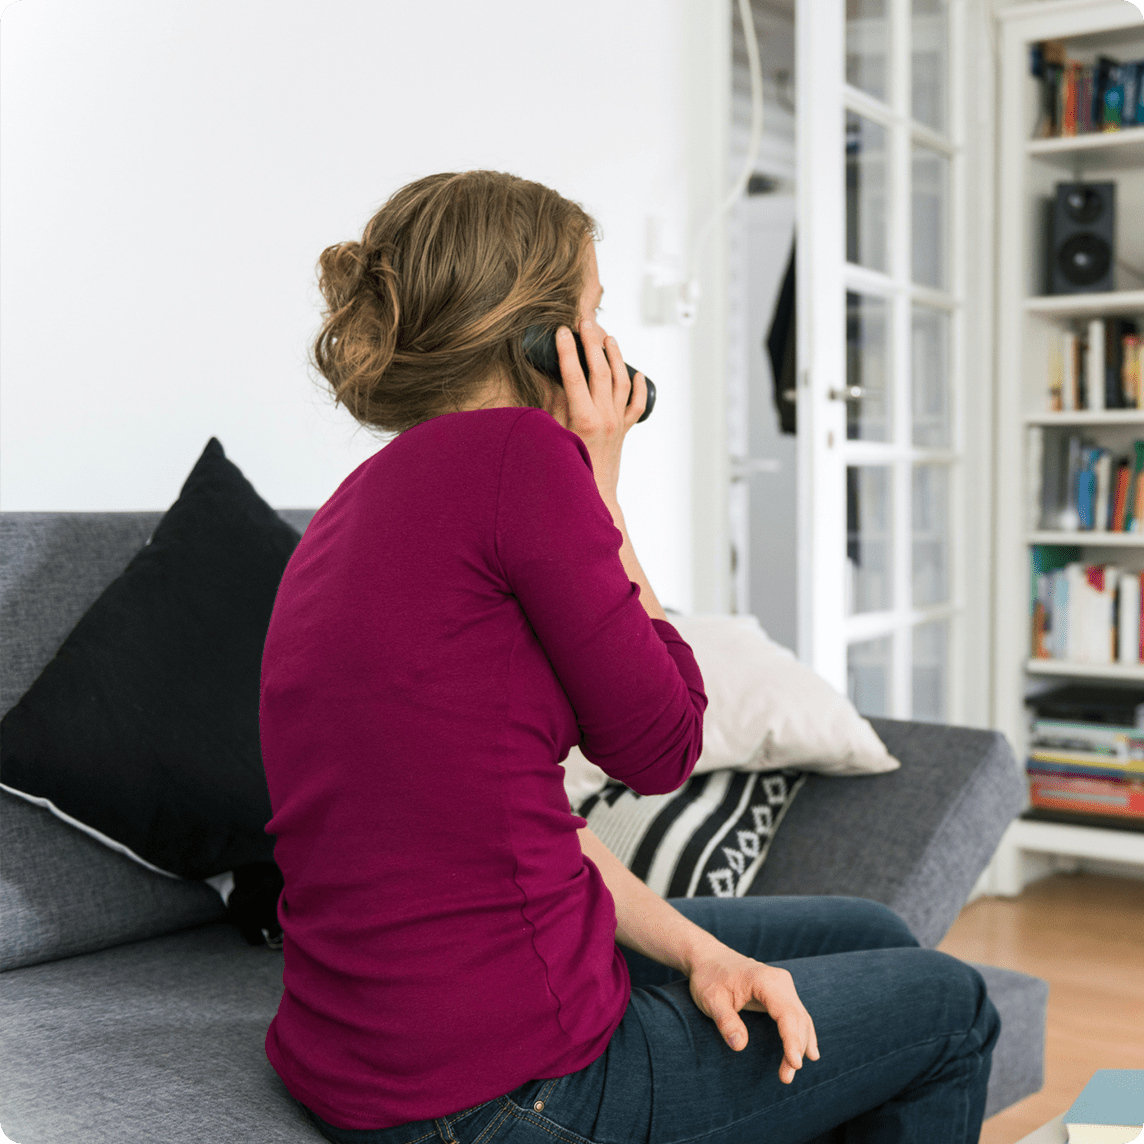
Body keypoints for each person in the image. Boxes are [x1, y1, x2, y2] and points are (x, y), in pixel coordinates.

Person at [259, 170, 999, 1144]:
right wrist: (602, 485)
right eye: (596, 311)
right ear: (548, 340)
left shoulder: (356, 501)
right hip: (499, 1090)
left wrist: (699, 952)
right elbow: (664, 744)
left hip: (363, 1058)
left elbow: (507, 823)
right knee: (950, 1005)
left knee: (867, 935)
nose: (612, 344)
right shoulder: (523, 458)